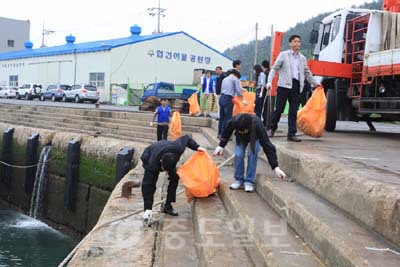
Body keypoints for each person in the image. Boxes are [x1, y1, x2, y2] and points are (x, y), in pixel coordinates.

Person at [213, 113, 286, 192]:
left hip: (255, 138)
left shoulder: (258, 126)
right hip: (240, 139)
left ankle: (249, 181)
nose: (241, 132)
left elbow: (267, 146)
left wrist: (276, 167)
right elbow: (226, 131)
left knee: (252, 154)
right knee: (239, 154)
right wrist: (221, 146)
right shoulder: (234, 121)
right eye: (239, 130)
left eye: (242, 131)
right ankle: (239, 179)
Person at [266, 34, 319, 142]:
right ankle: (272, 128)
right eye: (295, 41)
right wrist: (269, 82)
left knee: (293, 111)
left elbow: (307, 73)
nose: (297, 44)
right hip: (283, 86)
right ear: (290, 43)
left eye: (299, 42)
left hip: (296, 86)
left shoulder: (303, 58)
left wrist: (316, 84)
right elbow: (274, 68)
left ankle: (291, 134)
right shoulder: (283, 55)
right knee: (279, 109)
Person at [141, 135, 206, 219]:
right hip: (151, 152)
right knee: (150, 181)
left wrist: (197, 147)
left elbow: (186, 138)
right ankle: (147, 210)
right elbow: (148, 185)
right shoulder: (152, 164)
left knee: (175, 177)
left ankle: (168, 206)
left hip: (168, 147)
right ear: (161, 162)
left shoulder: (178, 148)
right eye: (164, 170)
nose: (166, 172)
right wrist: (148, 208)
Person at [218, 69, 246, 139]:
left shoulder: (225, 79)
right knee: (227, 118)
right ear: (236, 75)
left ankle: (219, 133)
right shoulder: (235, 79)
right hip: (228, 99)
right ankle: (224, 135)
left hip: (221, 98)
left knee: (222, 117)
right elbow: (238, 90)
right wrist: (243, 98)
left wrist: (241, 89)